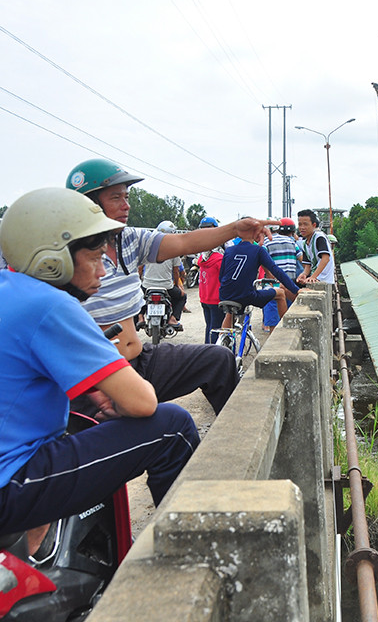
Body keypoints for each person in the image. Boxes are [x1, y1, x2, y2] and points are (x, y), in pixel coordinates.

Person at [0, 187, 199, 548]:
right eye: (95, 256)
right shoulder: (51, 305)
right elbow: (143, 403)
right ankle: (189, 556)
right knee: (173, 427)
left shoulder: (11, 290)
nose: (104, 269)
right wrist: (121, 400)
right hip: (11, 483)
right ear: (52, 260)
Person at [65, 158, 276, 415]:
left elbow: (185, 242)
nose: (126, 205)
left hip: (138, 359)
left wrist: (234, 228)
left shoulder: (127, 239)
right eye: (116, 197)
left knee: (218, 360)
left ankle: (243, 436)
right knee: (171, 424)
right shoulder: (62, 257)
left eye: (127, 196)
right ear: (88, 204)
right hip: (98, 375)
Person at [218, 238, 300, 331]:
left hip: (225, 294)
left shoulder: (229, 250)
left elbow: (221, 277)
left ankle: (222, 340)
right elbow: (276, 270)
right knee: (280, 293)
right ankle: (285, 330)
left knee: (230, 312)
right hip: (246, 295)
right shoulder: (258, 250)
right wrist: (296, 290)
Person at [140, 220, 186, 330]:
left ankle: (140, 317)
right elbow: (176, 272)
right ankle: (173, 318)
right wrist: (177, 284)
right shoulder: (174, 250)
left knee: (138, 296)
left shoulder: (148, 247)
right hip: (166, 286)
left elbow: (140, 268)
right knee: (182, 297)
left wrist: (139, 281)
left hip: (147, 285)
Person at [262, 218, 300, 332]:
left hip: (273, 283)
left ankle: (273, 339)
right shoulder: (292, 242)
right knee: (287, 314)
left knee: (273, 316)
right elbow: (301, 258)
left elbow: (262, 260)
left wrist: (269, 275)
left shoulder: (266, 242)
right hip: (290, 283)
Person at [195, 217, 225, 344]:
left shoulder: (202, 257)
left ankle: (207, 350)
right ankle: (213, 354)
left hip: (205, 298)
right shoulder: (219, 258)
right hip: (216, 299)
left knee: (209, 327)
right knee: (216, 328)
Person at [296, 209, 335, 284]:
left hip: (324, 279)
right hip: (316, 278)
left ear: (313, 225)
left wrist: (313, 276)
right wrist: (304, 274)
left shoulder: (319, 237)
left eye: (305, 224)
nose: (302, 227)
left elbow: (326, 258)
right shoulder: (304, 243)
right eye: (300, 224)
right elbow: (308, 265)